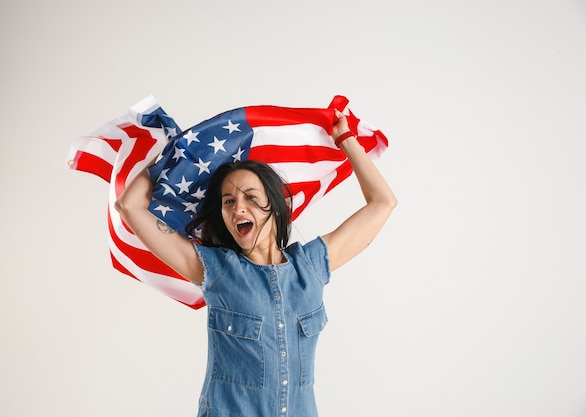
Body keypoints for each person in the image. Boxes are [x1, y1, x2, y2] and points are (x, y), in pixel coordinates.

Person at [115, 110, 397, 417]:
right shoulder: (217, 269)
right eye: (228, 202)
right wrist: (169, 159)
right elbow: (129, 206)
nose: (239, 208)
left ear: (275, 208)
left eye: (250, 197)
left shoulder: (311, 266)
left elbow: (383, 202)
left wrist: (345, 138)